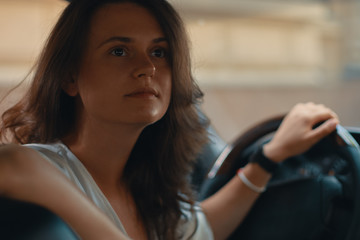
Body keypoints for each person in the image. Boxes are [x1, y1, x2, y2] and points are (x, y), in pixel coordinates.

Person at [0, 0, 339, 239]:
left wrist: (268, 158)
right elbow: (9, 163)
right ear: (70, 78)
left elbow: (202, 230)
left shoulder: (149, 189)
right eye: (119, 50)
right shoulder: (37, 165)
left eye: (159, 52)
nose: (147, 67)